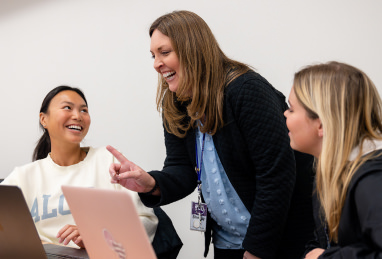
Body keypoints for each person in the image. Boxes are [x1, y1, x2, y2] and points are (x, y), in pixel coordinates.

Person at [106, 10, 315, 259]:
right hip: (227, 243)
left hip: (276, 244)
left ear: (191, 49)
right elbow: (182, 169)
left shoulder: (246, 91)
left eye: (164, 52)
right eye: (153, 55)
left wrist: (257, 250)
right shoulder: (175, 105)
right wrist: (150, 183)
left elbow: (276, 176)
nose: (156, 63)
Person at [0, 85, 158, 248]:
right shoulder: (25, 176)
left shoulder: (108, 162)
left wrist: (97, 236)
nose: (77, 116)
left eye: (84, 110)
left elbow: (146, 222)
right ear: (44, 119)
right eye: (68, 108)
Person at [284, 61, 382, 258]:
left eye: (291, 109)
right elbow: (325, 239)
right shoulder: (330, 170)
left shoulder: (372, 181)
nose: (284, 114)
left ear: (321, 125)